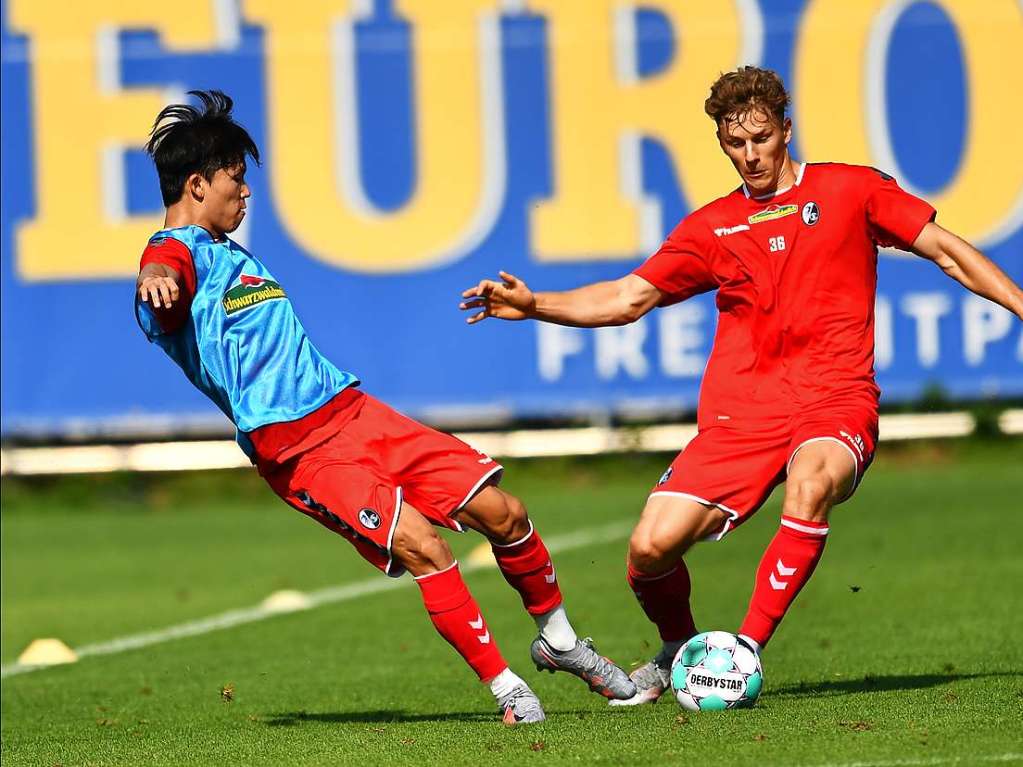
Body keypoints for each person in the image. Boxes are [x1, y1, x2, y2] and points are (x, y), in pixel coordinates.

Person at [461, 66, 1023, 705]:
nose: (751, 155)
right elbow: (625, 298)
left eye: (761, 138)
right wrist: (537, 305)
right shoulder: (712, 227)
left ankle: (739, 655)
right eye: (736, 144)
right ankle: (681, 651)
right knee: (649, 549)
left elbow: (949, 251)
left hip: (834, 400)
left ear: (786, 130)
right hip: (741, 418)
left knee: (812, 483)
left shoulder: (852, 190)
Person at [134, 90, 636, 724]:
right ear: (198, 184)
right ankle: (509, 689)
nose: (246, 194)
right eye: (237, 180)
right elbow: (166, 264)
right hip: (300, 452)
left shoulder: (231, 253)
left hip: (355, 411)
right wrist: (155, 272)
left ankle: (562, 643)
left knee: (504, 512)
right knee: (424, 545)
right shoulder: (176, 261)